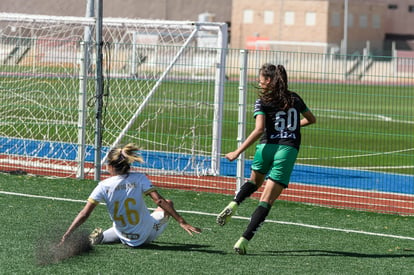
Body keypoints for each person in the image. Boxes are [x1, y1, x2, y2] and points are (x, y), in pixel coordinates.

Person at [216, 63, 316, 254]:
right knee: (266, 200)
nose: (259, 83)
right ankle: (243, 241)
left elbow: (259, 129)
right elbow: (312, 119)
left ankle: (234, 203)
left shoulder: (262, 100)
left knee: (254, 181)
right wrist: (292, 127)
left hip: (266, 147)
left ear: (268, 80)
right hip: (286, 149)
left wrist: (237, 152)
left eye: (260, 79)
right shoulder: (295, 98)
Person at [60, 143, 201, 248]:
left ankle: (101, 238)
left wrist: (67, 234)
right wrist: (182, 221)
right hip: (146, 235)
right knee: (168, 203)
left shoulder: (103, 186)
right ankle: (112, 236)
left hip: (122, 233)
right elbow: (159, 201)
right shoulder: (139, 178)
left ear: (110, 166)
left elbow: (84, 214)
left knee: (118, 228)